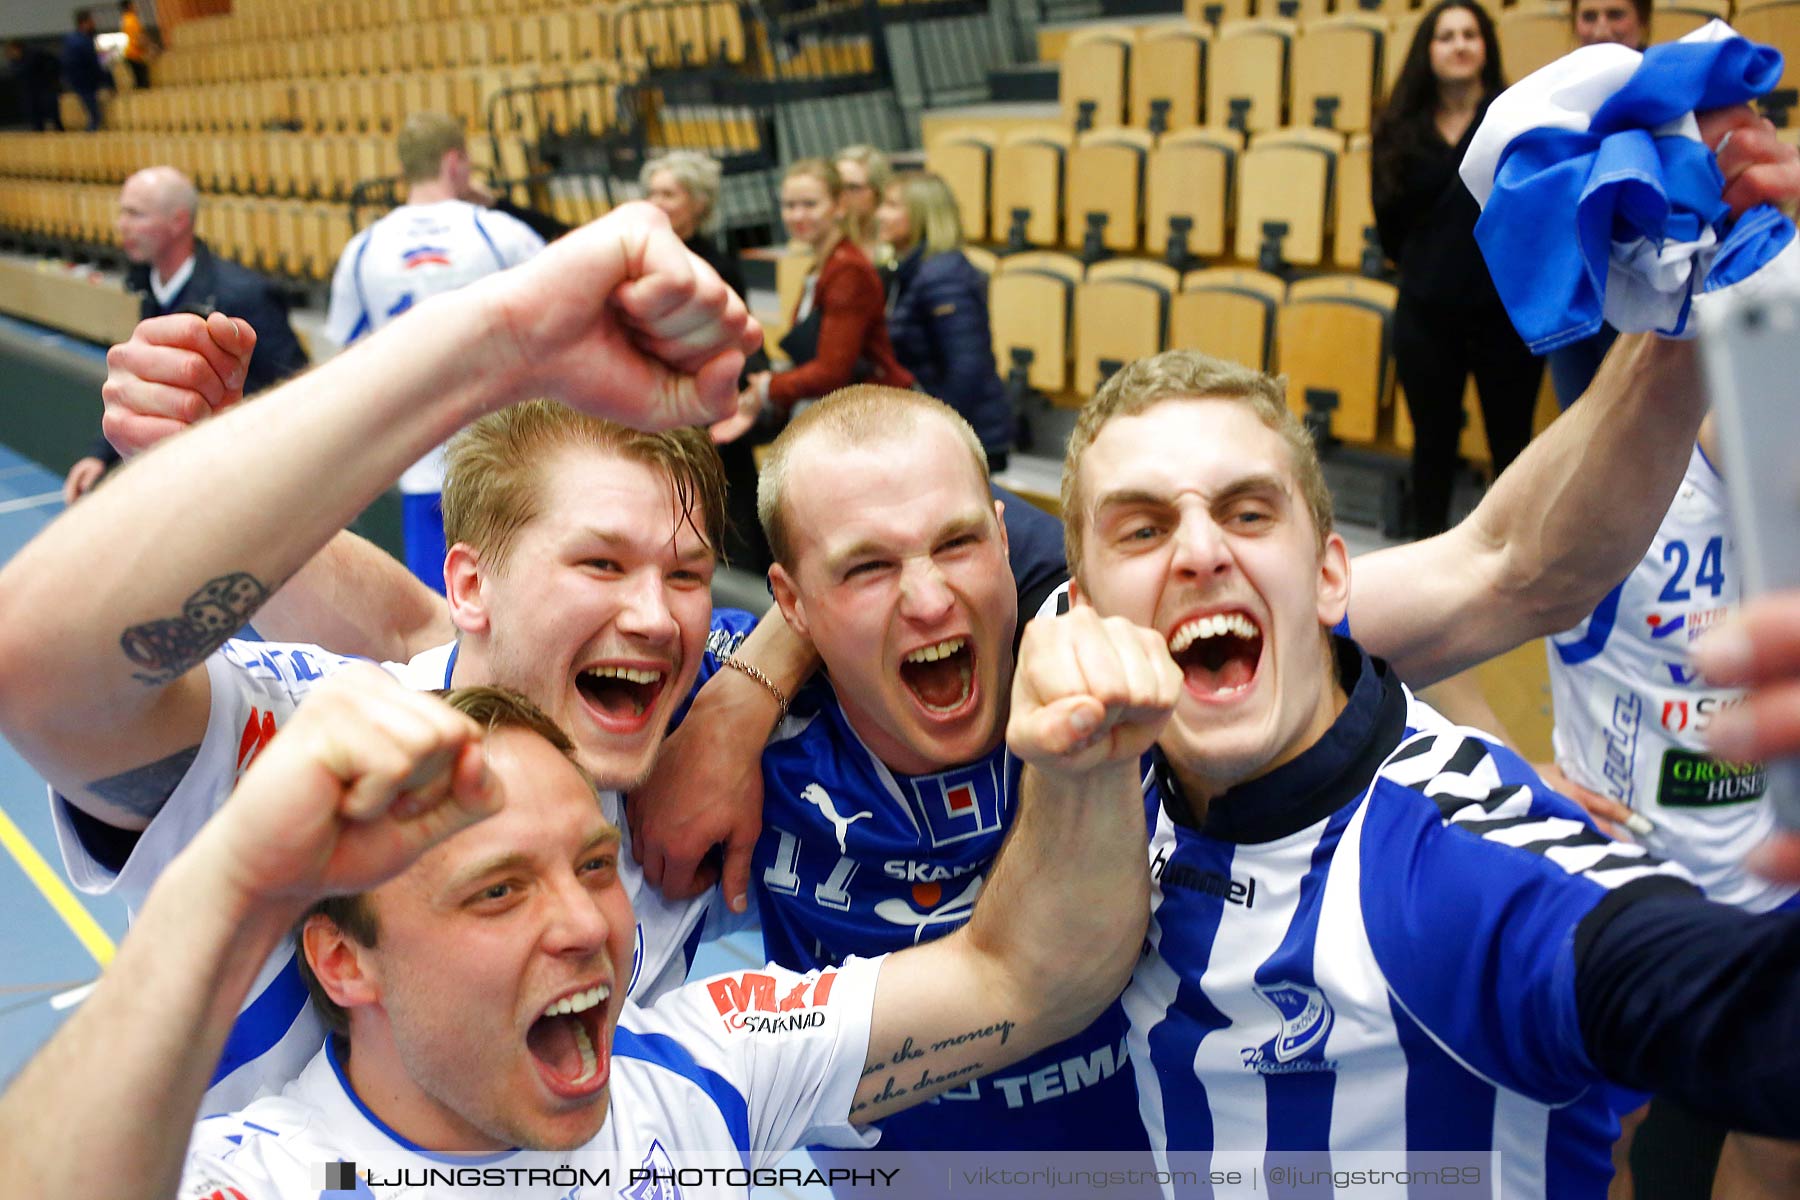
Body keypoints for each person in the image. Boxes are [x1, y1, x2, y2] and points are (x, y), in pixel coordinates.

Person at [0, 202, 760, 1111]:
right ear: (472, 587)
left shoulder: (698, 701)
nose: (656, 617)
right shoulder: (309, 740)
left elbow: (858, 590)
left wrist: (752, 694)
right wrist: (491, 345)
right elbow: (42, 677)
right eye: (601, 562)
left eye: (688, 575)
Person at [0, 618, 1167, 1197]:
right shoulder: (270, 1172)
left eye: (593, 867)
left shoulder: (700, 1065)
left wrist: (1089, 766)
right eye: (496, 889)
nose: (582, 926)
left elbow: (1028, 975)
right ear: (343, 963)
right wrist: (230, 877)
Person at [1059, 349, 1800, 1197]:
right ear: (1080, 615)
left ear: (1331, 575)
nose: (1199, 551)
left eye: (1250, 513)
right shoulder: (1091, 784)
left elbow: (1728, 1007)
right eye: (1144, 529)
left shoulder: (1459, 869)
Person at [1541, 409, 1800, 1199]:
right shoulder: (1617, 483)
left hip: (1775, 890)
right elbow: (1467, 587)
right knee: (1609, 1142)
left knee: (1782, 1139)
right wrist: (1510, 761)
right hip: (1629, 894)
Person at [325, 110, 546, 593]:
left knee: (440, 621)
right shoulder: (499, 232)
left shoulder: (363, 249)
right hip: (507, 460)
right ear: (455, 163)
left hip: (422, 461)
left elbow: (348, 363)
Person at [1373, 0, 1544, 537]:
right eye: (1446, 36)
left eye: (1470, 33)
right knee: (1432, 446)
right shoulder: (1397, 128)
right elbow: (1389, 229)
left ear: (1486, 45)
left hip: (1502, 312)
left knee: (1511, 443)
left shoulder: (1515, 119)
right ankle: (1428, 558)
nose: (1460, 45)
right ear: (1428, 51)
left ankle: (1517, 560)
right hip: (1426, 314)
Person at [64, 165, 308, 505]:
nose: (122, 224)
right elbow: (146, 384)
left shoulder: (244, 295)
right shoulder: (151, 288)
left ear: (178, 221)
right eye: (122, 212)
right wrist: (99, 455)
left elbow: (297, 387)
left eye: (135, 214)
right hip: (180, 478)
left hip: (241, 482)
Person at [711, 158, 912, 447]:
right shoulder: (822, 267)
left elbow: (832, 371)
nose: (797, 215)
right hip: (844, 414)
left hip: (872, 419)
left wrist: (768, 387)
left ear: (839, 205)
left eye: (809, 204)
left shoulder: (848, 271)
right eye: (789, 206)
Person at [640, 148, 776, 571]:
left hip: (707, 409)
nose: (657, 202)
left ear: (699, 203)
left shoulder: (714, 265)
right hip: (660, 405)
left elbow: (737, 339)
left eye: (669, 194)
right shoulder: (642, 260)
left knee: (726, 523)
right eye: (652, 193)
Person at [1544, 0, 1653, 409]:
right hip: (1573, 293)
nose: (1602, 27)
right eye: (1589, 16)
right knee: (1578, 432)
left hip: (1648, 293)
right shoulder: (1551, 99)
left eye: (1616, 13)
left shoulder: (1670, 91)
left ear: (1643, 21)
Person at [876, 171, 1013, 471]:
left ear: (923, 213)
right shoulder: (908, 270)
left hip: (967, 435)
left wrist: (938, 431)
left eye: (892, 205)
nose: (880, 214)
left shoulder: (942, 275)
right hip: (944, 426)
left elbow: (966, 367)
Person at [835, 143, 892, 265]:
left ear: (878, 191)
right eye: (837, 187)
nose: (842, 195)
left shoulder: (895, 240)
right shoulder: (820, 240)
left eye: (853, 187)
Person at [59, 8, 110, 131]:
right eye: (92, 21)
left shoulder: (72, 39)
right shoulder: (82, 41)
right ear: (85, 23)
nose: (94, 23)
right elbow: (93, 64)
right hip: (84, 82)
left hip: (79, 82)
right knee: (95, 116)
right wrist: (107, 80)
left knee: (94, 114)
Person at [6, 39, 62, 131]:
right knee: (36, 119)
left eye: (11, 50)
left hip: (44, 89)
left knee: (53, 116)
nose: (10, 53)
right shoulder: (16, 60)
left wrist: (52, 79)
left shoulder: (35, 54)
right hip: (31, 92)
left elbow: (53, 64)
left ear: (17, 48)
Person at [118, 0, 149, 89]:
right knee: (142, 82)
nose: (136, 7)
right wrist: (149, 48)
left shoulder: (124, 19)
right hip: (134, 54)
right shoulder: (132, 20)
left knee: (138, 80)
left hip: (128, 53)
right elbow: (139, 39)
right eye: (134, 5)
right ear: (129, 7)